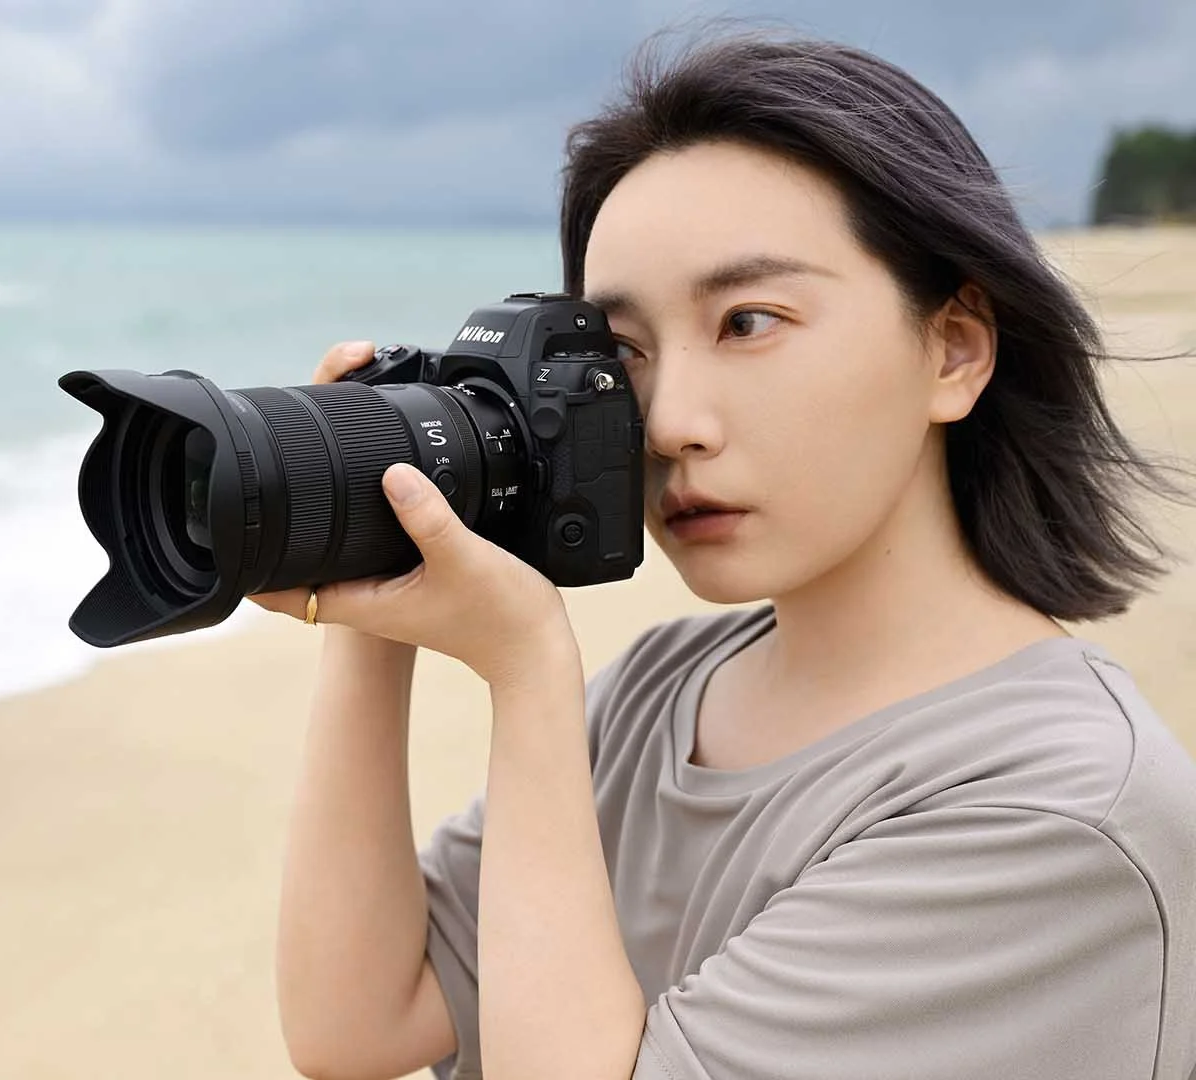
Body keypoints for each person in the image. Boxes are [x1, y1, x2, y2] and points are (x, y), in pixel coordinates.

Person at [248, 30, 1196, 1080]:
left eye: (748, 321)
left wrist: (526, 672)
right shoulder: (658, 697)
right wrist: (371, 568)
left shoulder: (1055, 810)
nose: (670, 423)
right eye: (622, 353)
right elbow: (357, 1025)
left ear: (954, 350)